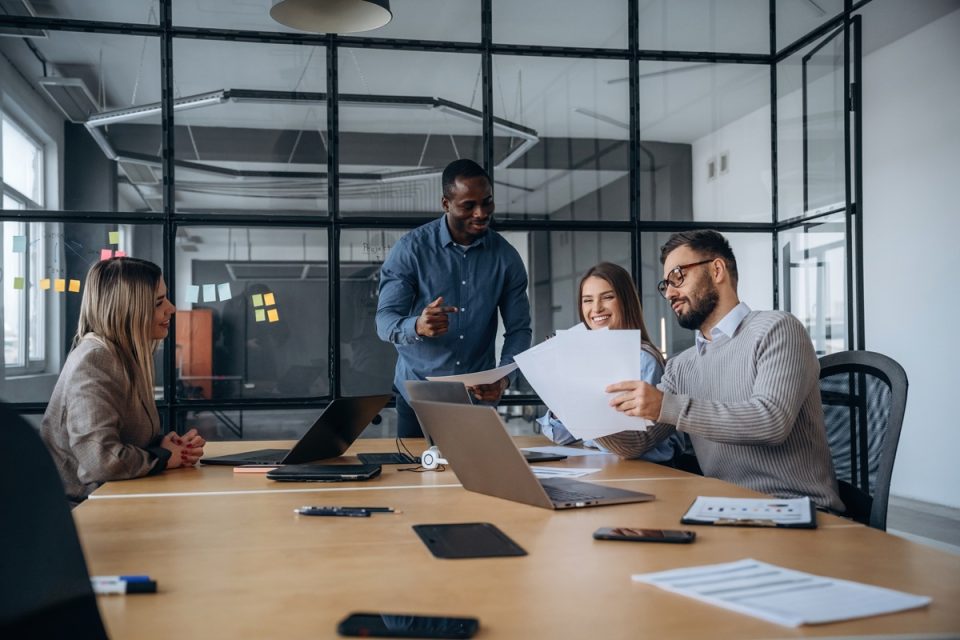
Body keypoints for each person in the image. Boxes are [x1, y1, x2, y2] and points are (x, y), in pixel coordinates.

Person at [598, 230, 843, 511]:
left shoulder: (776, 329)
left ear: (716, 270)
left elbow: (770, 421)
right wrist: (585, 414)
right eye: (665, 284)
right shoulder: (681, 366)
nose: (670, 293)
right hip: (724, 510)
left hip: (794, 509)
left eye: (678, 277)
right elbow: (637, 443)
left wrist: (666, 405)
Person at [376, 159, 532, 438]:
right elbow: (384, 321)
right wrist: (417, 326)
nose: (481, 213)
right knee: (414, 479)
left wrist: (503, 378)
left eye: (487, 202)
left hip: (476, 400)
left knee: (477, 479)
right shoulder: (411, 250)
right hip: (418, 396)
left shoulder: (506, 258)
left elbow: (519, 329)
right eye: (468, 205)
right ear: (446, 203)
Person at [40, 257, 205, 506]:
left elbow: (118, 439)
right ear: (128, 310)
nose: (171, 308)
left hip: (110, 500)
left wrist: (163, 446)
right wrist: (162, 457)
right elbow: (100, 460)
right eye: (159, 302)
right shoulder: (94, 360)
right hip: (82, 514)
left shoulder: (120, 357)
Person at [537, 262, 684, 464]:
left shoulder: (644, 359)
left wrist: (582, 408)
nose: (596, 308)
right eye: (587, 300)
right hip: (604, 467)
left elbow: (637, 443)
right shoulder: (586, 357)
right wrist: (561, 394)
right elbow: (561, 435)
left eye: (607, 297)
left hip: (647, 471)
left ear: (625, 302)